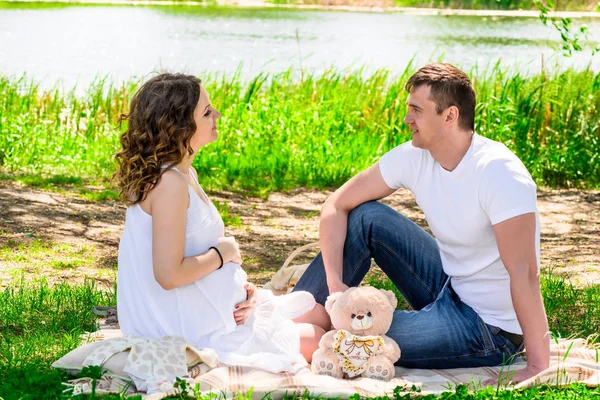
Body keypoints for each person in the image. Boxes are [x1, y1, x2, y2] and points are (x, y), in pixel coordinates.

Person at [293, 63, 550, 383]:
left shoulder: (499, 174)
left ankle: (305, 330)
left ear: (450, 116)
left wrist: (538, 366)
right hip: (450, 285)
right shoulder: (416, 156)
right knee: (365, 217)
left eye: (416, 110)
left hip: (489, 328)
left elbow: (525, 273)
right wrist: (336, 289)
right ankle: (292, 315)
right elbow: (337, 204)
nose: (406, 119)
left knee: (358, 335)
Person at [113, 73, 330, 373]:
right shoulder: (168, 184)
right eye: (206, 112)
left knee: (319, 314)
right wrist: (224, 253)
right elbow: (168, 274)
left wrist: (241, 289)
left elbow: (191, 250)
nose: (217, 115)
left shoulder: (184, 173)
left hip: (211, 307)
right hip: (184, 325)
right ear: (180, 127)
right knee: (319, 338)